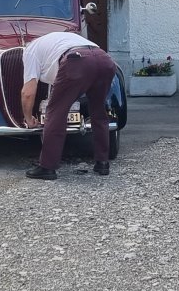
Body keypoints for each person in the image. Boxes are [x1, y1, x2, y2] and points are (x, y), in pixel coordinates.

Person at [19, 29, 116, 180]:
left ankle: (47, 167)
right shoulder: (58, 40)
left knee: (56, 113)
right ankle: (102, 163)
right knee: (98, 111)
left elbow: (28, 92)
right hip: (105, 59)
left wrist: (28, 118)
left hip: (76, 61)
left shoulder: (30, 51)